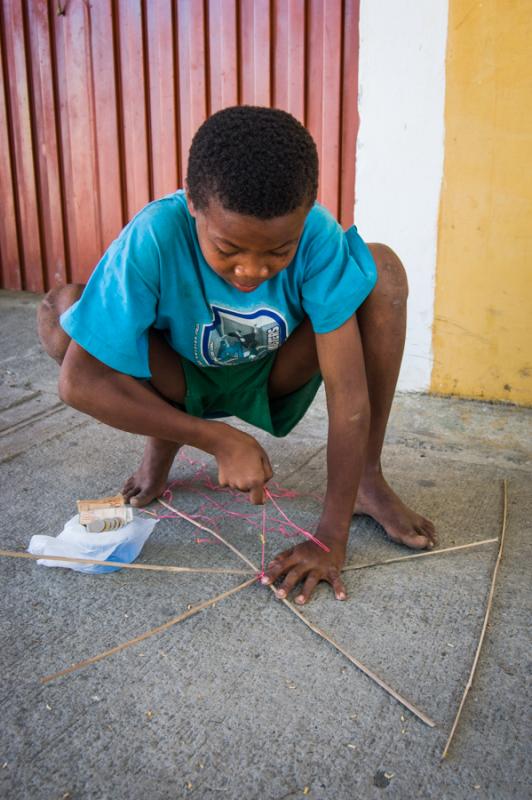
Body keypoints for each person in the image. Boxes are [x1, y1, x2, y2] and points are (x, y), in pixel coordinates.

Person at [38, 106, 436, 605]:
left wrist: (330, 538)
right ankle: (163, 443)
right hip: (179, 379)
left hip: (275, 373)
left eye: (278, 252)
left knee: (382, 269)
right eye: (228, 248)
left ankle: (367, 481)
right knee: (64, 311)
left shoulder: (317, 234)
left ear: (308, 211)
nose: (251, 270)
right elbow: (79, 383)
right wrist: (216, 440)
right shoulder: (154, 234)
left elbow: (350, 398)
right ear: (192, 206)